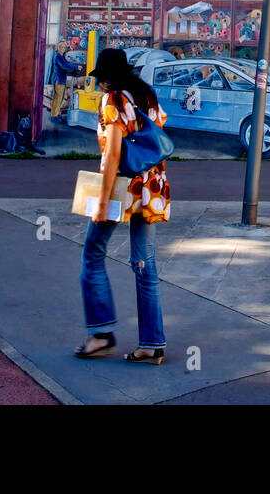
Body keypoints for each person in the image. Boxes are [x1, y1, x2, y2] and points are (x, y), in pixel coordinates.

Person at [75, 48, 167, 365]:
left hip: (122, 185)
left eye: (100, 78)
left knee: (92, 254)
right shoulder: (147, 96)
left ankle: (101, 334)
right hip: (151, 186)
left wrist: (102, 201)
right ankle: (152, 344)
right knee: (145, 264)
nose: (99, 84)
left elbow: (113, 154)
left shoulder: (113, 100)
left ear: (107, 78)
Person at [47, 41, 79, 118]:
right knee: (58, 98)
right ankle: (54, 115)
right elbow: (64, 66)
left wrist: (73, 67)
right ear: (58, 48)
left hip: (61, 79)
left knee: (60, 98)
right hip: (58, 79)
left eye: (64, 47)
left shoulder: (61, 56)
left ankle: (56, 114)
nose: (63, 49)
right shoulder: (58, 56)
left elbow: (66, 65)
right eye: (61, 47)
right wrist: (76, 67)